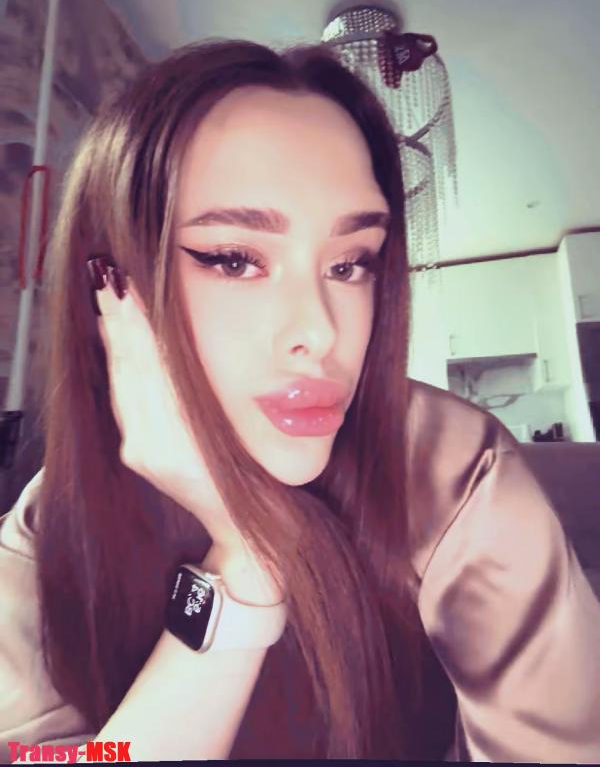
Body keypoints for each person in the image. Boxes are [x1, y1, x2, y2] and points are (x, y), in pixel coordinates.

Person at [1, 38, 599, 763]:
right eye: (235, 259)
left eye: (351, 264)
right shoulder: (38, 542)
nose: (321, 332)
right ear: (114, 288)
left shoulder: (452, 468)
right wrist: (245, 561)